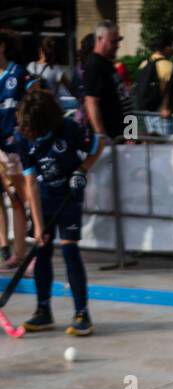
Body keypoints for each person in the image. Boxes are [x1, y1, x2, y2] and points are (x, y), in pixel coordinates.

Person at [16, 86, 101, 336]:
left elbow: (99, 144)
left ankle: (82, 313)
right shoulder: (22, 138)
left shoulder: (69, 129)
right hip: (43, 198)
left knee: (69, 249)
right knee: (42, 250)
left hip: (68, 196)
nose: (30, 134)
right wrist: (39, 225)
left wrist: (82, 170)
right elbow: (30, 181)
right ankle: (43, 311)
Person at [0, 28, 34, 267]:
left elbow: (36, 103)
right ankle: (19, 252)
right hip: (3, 152)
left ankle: (35, 256)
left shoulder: (19, 73)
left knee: (30, 201)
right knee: (16, 201)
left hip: (22, 148)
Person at [83, 20, 126, 142]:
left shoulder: (108, 64)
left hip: (122, 137)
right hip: (111, 140)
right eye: (113, 41)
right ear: (99, 39)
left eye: (118, 41)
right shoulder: (94, 65)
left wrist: (131, 134)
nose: (117, 45)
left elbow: (125, 102)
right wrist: (103, 139)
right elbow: (91, 103)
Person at [133, 35, 173, 138]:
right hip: (162, 115)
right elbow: (172, 92)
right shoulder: (169, 66)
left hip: (145, 114)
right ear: (167, 48)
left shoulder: (143, 64)